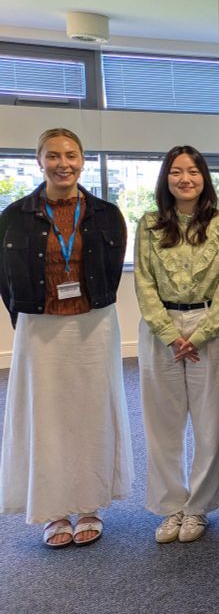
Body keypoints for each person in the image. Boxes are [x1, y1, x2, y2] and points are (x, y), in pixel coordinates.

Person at [0, 128, 132, 548]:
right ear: (39, 161)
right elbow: (5, 277)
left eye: (71, 155)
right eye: (53, 155)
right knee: (46, 417)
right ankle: (54, 510)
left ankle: (90, 504)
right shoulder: (14, 216)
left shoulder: (106, 214)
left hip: (93, 324)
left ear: (82, 160)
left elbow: (112, 269)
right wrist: (25, 315)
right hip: (40, 326)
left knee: (92, 414)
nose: (63, 164)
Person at [134, 145, 219, 543]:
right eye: (176, 171)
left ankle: (198, 508)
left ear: (204, 178)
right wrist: (168, 333)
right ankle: (170, 506)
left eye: (193, 171)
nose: (185, 179)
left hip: (207, 326)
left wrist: (201, 333)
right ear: (166, 178)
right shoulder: (149, 224)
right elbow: (143, 281)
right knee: (162, 424)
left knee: (209, 423)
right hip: (160, 329)